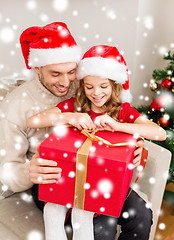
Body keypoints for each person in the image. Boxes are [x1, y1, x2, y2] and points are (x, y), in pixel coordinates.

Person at [27, 45, 166, 239]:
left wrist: (119, 127)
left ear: (114, 85)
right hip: (71, 179)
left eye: (103, 86)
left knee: (142, 215)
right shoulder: (74, 106)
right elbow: (33, 121)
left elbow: (160, 133)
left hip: (107, 179)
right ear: (83, 85)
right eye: (89, 87)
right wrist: (69, 116)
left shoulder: (123, 111)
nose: (96, 93)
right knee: (99, 226)